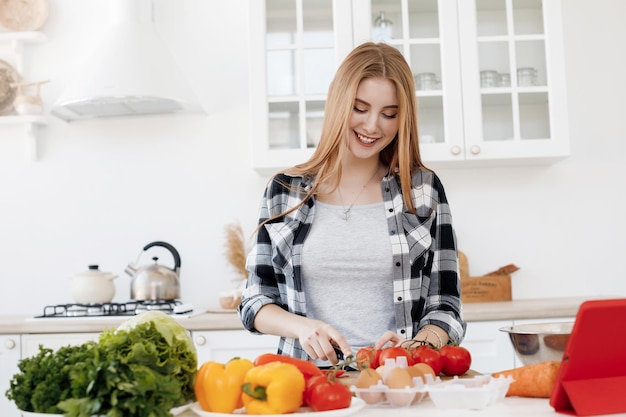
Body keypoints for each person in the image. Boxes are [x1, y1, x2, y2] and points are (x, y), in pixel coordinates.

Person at [238, 42, 466, 367]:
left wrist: (415, 346)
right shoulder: (285, 190)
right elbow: (255, 300)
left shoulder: (423, 191)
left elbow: (446, 306)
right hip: (306, 382)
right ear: (338, 103)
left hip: (395, 381)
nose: (373, 126)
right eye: (360, 108)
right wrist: (303, 328)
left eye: (389, 114)